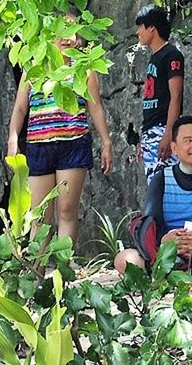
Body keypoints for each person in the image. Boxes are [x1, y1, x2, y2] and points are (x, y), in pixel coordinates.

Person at [7, 26, 113, 244]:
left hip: (73, 145)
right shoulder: (34, 67)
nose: (66, 38)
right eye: (61, 31)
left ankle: (63, 270)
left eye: (72, 31)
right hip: (38, 146)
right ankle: (36, 273)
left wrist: (106, 141)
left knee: (66, 210)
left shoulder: (84, 70)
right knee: (40, 215)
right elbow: (20, 108)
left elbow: (96, 107)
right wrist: (13, 137)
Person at [115, 115, 192, 280]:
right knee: (124, 259)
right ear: (174, 148)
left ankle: (181, 277)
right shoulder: (161, 179)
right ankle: (190, 276)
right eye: (188, 141)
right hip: (168, 254)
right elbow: (152, 223)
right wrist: (167, 239)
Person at [135, 5, 184, 182]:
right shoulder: (154, 57)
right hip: (151, 130)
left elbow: (175, 96)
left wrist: (169, 133)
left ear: (152, 28)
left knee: (167, 186)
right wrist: (144, 138)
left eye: (140, 26)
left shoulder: (171, 55)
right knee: (154, 186)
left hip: (164, 128)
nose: (137, 31)